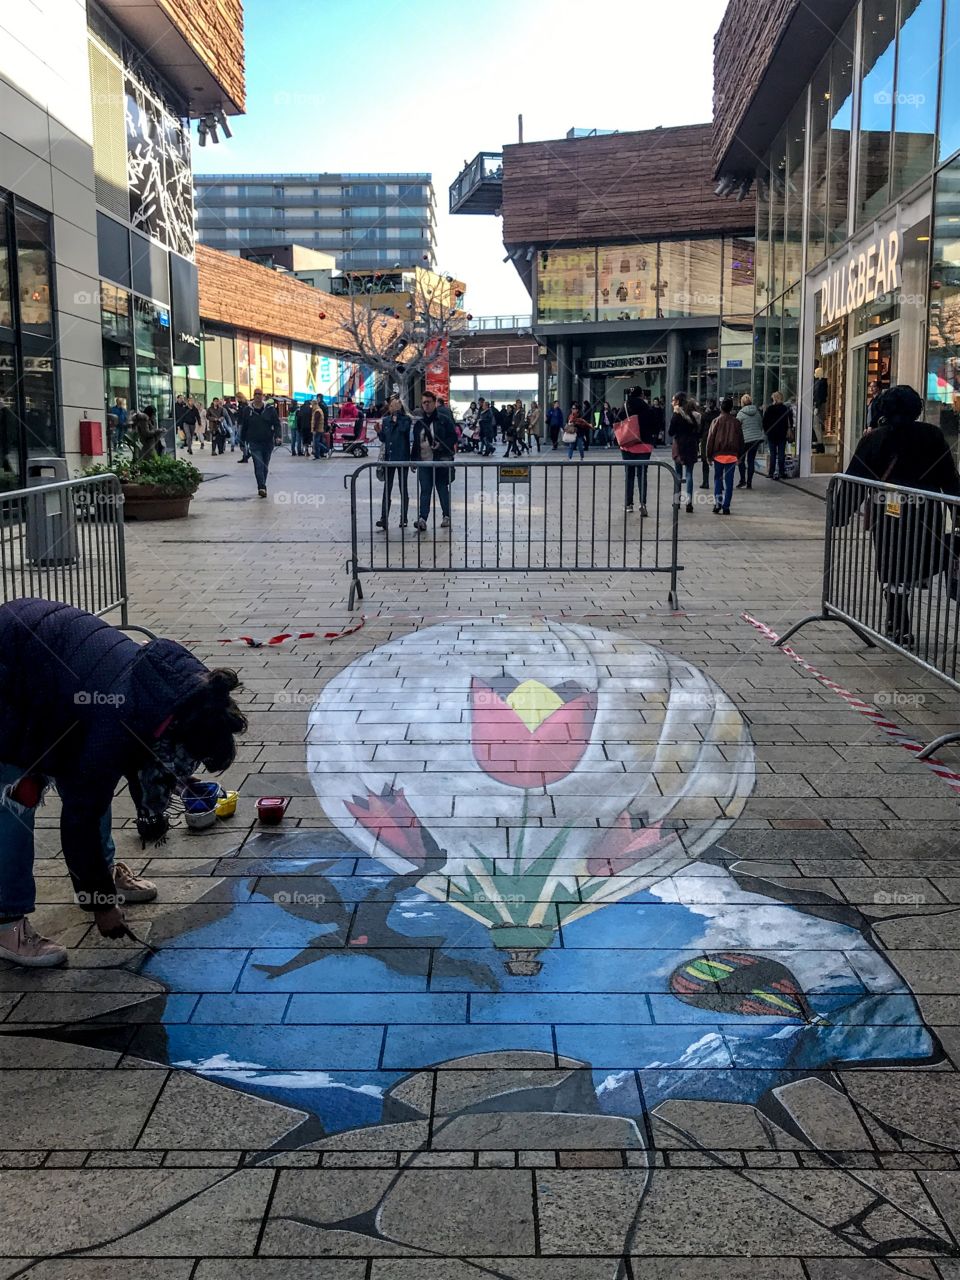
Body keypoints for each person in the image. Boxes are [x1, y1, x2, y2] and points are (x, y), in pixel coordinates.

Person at [0, 598, 247, 967]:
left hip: (50, 670)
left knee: (90, 775)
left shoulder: (188, 693)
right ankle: (7, 923)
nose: (185, 767)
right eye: (186, 758)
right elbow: (80, 816)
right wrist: (101, 907)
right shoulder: (118, 721)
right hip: (11, 672)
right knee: (15, 798)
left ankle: (101, 876)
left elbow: (133, 758)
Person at [844, 384, 960, 646]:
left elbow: (855, 477)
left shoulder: (875, 438)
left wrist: (841, 512)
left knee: (892, 565)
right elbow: (948, 476)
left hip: (887, 513)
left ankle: (898, 623)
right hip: (925, 511)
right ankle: (897, 622)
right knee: (918, 560)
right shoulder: (932, 435)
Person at [412, 390, 458, 531]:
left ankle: (446, 516)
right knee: (425, 490)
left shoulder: (444, 420)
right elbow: (416, 443)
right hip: (424, 462)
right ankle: (422, 519)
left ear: (434, 403)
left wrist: (441, 445)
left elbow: (453, 437)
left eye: (429, 402)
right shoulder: (419, 424)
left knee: (442, 489)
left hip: (440, 461)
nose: (426, 405)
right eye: (424, 402)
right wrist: (413, 460)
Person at [376, 394, 413, 530]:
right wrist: (379, 432)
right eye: (391, 406)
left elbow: (404, 430)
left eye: (394, 405)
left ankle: (404, 517)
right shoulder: (386, 420)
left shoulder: (406, 420)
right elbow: (385, 439)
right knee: (387, 488)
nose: (391, 408)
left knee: (403, 488)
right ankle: (384, 517)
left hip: (402, 457)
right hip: (389, 458)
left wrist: (397, 417)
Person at [615, 392, 656, 516]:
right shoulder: (647, 408)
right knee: (642, 475)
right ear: (641, 395)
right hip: (645, 446)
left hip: (628, 445)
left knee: (629, 475)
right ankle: (642, 503)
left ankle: (629, 504)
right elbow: (655, 425)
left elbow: (616, 421)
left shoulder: (625, 406)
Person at [239, 386, 282, 498]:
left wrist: (278, 436)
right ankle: (261, 487)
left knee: (265, 466)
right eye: (256, 394)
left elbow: (277, 424)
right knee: (258, 464)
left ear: (262, 396)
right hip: (254, 442)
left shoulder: (270, 409)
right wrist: (242, 442)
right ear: (253, 396)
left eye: (259, 394)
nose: (258, 396)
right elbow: (244, 427)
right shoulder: (247, 410)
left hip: (268, 442)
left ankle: (262, 484)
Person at [707, 396, 745, 515]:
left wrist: (708, 456)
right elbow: (741, 440)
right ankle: (726, 506)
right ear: (731, 408)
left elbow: (710, 439)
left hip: (718, 454)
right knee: (729, 482)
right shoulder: (736, 422)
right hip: (732, 455)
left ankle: (718, 503)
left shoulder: (716, 421)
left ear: (721, 408)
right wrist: (740, 455)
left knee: (718, 479)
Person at [669, 393, 700, 514]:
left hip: (679, 445)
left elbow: (670, 432)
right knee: (689, 473)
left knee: (678, 474)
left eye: (673, 400)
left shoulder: (677, 414)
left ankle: (677, 502)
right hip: (691, 445)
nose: (672, 402)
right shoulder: (692, 414)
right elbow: (697, 430)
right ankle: (689, 502)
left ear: (677, 401)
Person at [762, 391, 793, 480]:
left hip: (772, 435)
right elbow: (790, 421)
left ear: (774, 398)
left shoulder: (769, 409)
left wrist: (767, 431)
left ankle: (771, 473)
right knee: (781, 454)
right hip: (782, 434)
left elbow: (764, 422)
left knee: (773, 454)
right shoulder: (785, 409)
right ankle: (781, 472)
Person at [736, 393, 765, 489]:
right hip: (755, 439)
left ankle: (742, 480)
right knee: (751, 460)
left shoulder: (740, 414)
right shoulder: (757, 413)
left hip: (744, 440)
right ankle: (749, 482)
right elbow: (760, 425)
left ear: (742, 403)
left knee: (741, 459)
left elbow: (737, 427)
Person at [699, 399, 720, 489]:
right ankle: (719, 483)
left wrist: (699, 437)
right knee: (718, 461)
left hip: (706, 438)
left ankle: (705, 482)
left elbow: (701, 428)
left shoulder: (704, 415)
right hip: (716, 438)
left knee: (705, 461)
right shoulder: (718, 414)